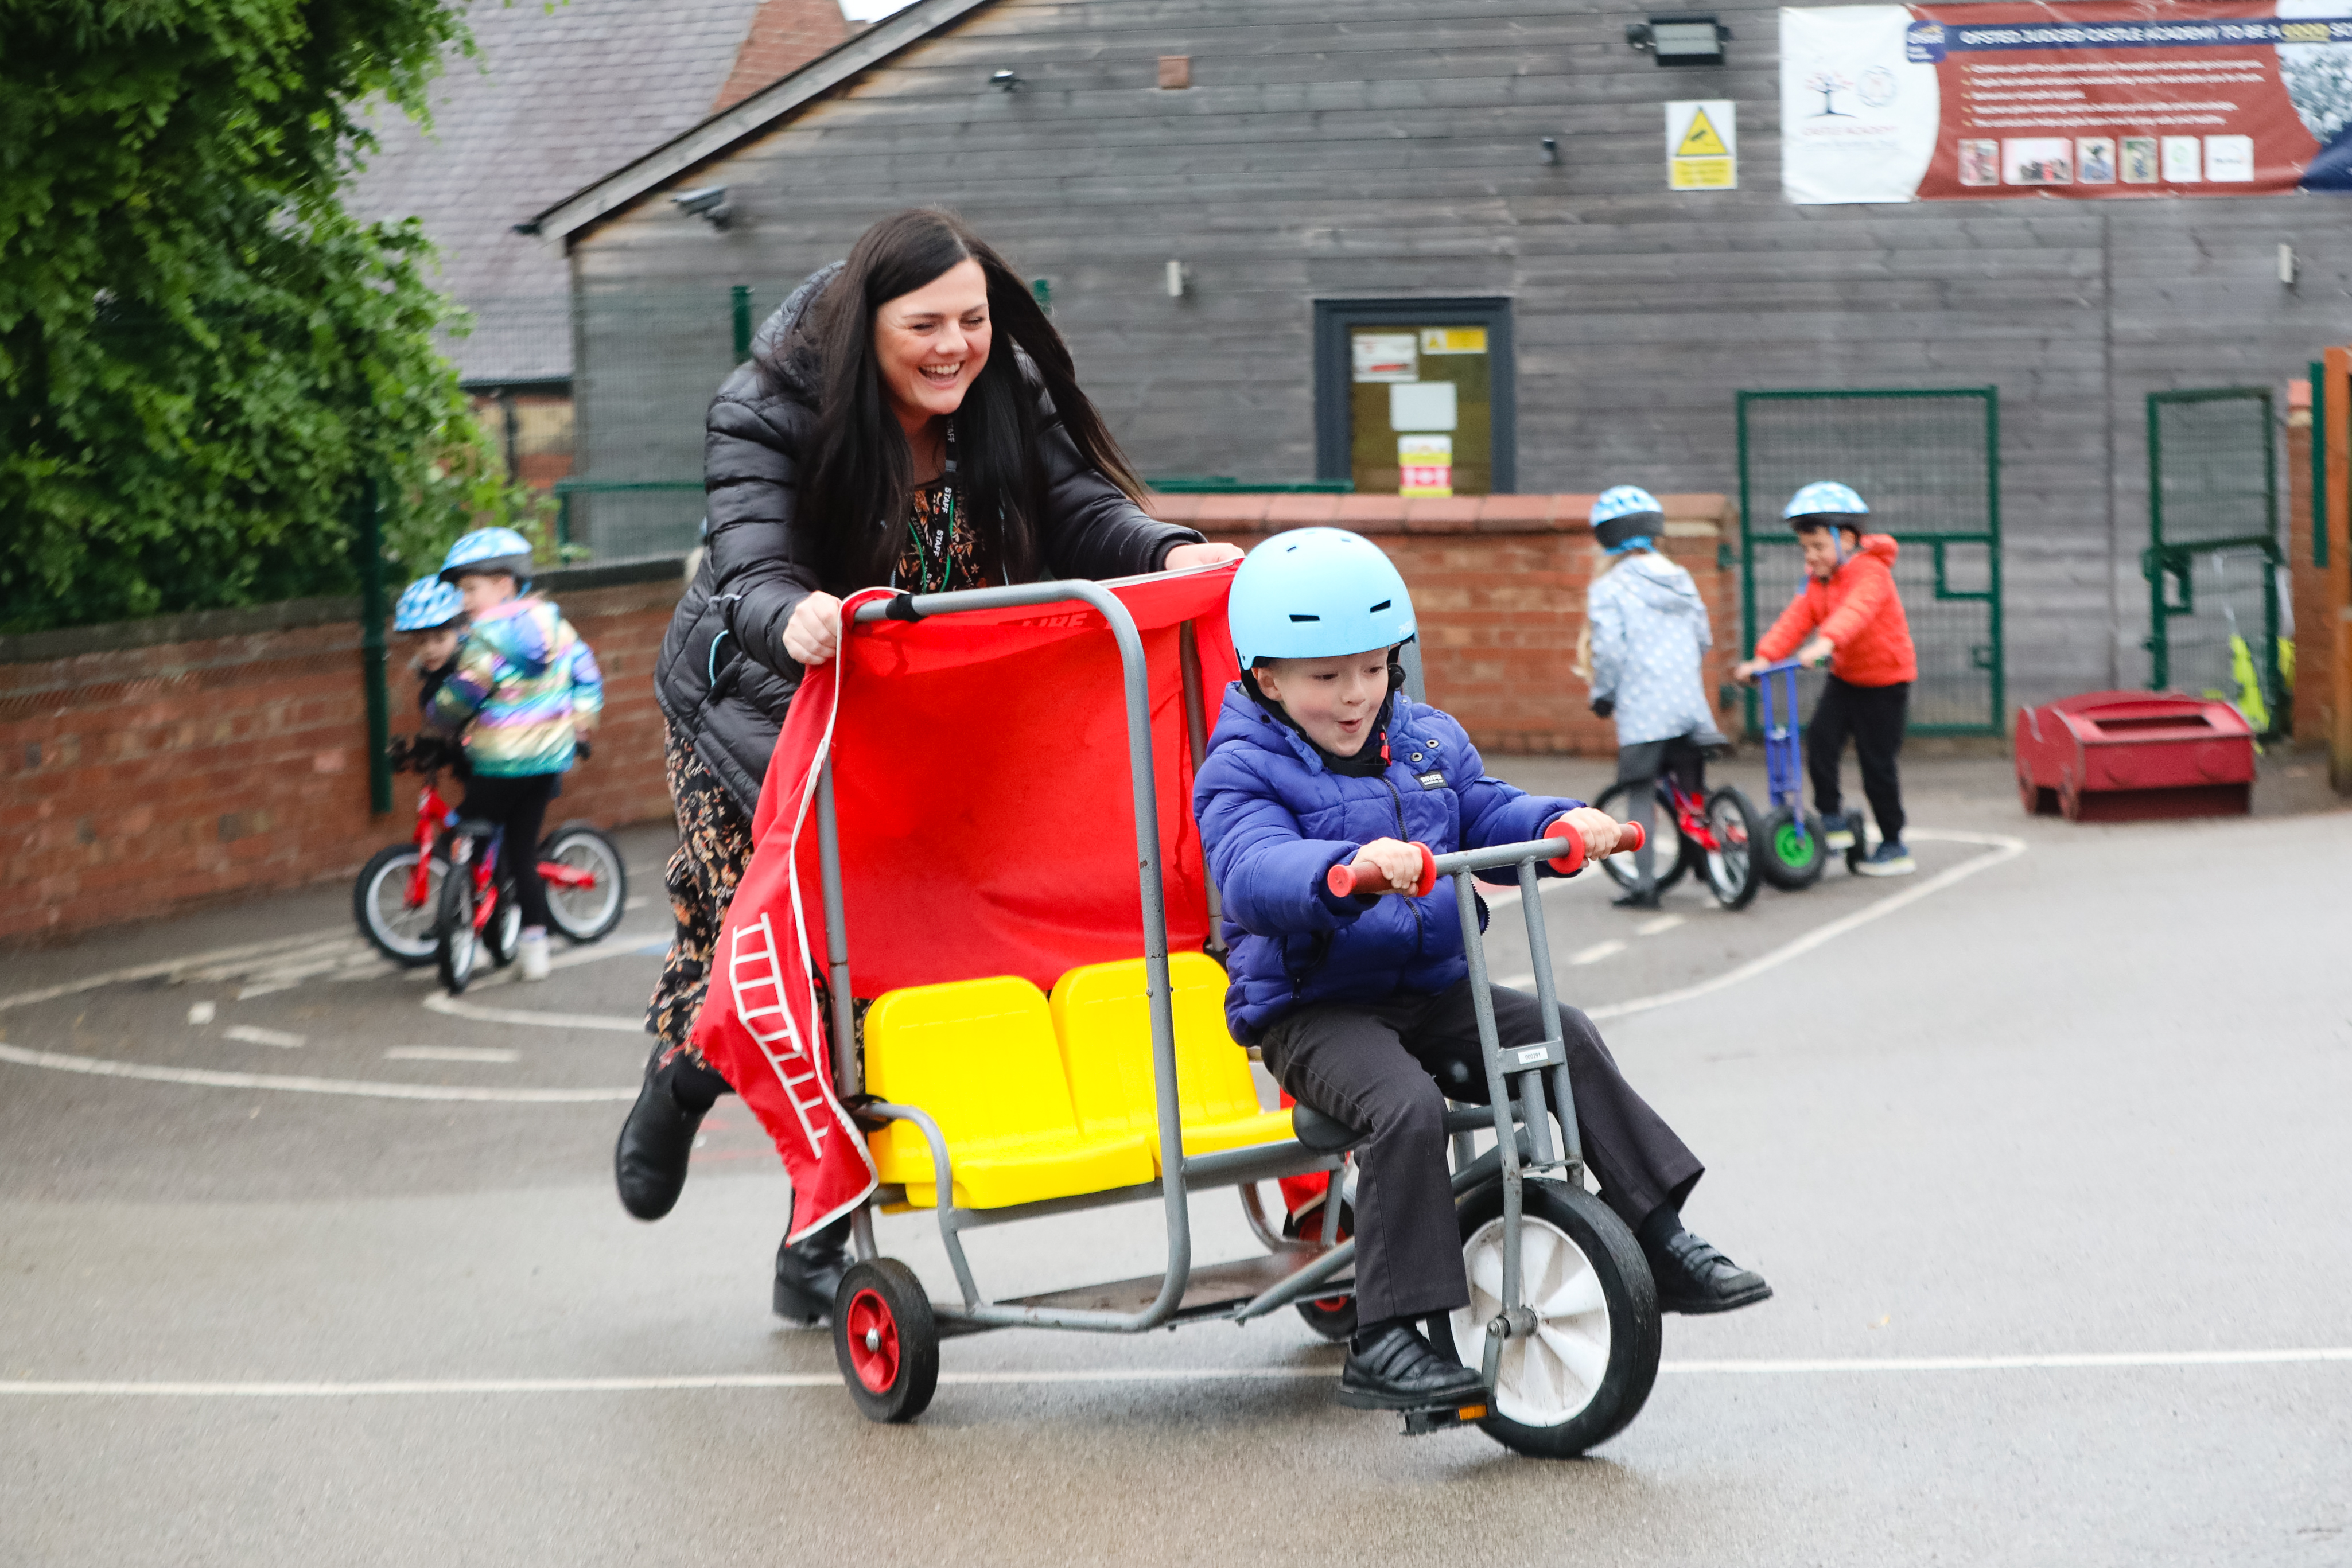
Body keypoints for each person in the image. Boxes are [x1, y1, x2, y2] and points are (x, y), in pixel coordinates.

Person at [617, 208, 1243, 1324]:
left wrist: (1168, 549)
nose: (955, 345)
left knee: (901, 964)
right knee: (788, 964)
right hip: (761, 701)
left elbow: (1076, 507)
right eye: (927, 325)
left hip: (930, 702)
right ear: (870, 327)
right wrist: (793, 615)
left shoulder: (999, 382)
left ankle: (817, 1237)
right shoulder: (766, 408)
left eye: (974, 319)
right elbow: (750, 565)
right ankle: (685, 1080)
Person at [1194, 527, 1770, 1415]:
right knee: (1403, 1107)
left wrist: (1566, 824)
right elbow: (1248, 868)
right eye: (1323, 676)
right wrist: (1338, 871)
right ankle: (1383, 1337)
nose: (1354, 694)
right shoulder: (1240, 768)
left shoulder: (1426, 739)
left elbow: (1487, 812)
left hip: (1429, 988)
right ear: (1262, 677)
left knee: (1561, 1033)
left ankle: (1655, 1234)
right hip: (1314, 1009)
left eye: (1372, 668)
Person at [426, 528, 605, 982]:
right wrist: (581, 724)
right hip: (547, 762)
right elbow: (586, 673)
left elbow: (465, 694)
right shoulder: (557, 626)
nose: (463, 599)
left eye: (470, 589)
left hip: (497, 765)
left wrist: (439, 711)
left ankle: (469, 924)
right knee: (522, 852)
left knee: (457, 833)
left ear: (504, 584)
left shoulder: (484, 640)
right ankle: (534, 949)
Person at [1734, 482, 1919, 877]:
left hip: (1886, 681)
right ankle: (1831, 818)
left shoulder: (1871, 572)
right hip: (1847, 678)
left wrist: (1826, 642)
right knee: (1820, 740)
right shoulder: (1817, 581)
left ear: (1847, 538)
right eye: (1805, 548)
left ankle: (1893, 843)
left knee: (1877, 765)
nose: (1811, 556)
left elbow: (1857, 611)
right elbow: (1795, 619)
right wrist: (1763, 658)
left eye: (1818, 546)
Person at [1582, 485, 1724, 911]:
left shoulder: (1609, 588)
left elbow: (1608, 651)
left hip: (1644, 711)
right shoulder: (1680, 578)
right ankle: (1711, 869)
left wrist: (1603, 694)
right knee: (1692, 791)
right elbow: (1704, 638)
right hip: (1689, 707)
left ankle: (1645, 885)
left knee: (1639, 793)